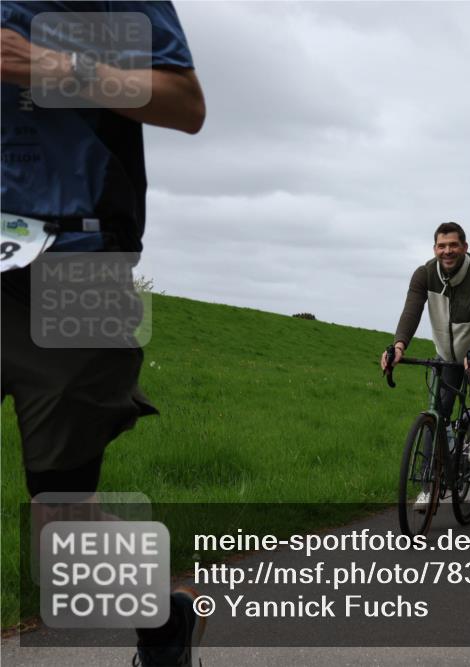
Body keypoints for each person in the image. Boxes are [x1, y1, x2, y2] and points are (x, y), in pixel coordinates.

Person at [1, 3, 206, 665]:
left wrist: (52, 67)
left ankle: (163, 618)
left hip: (79, 261)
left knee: (61, 525)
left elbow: (184, 103)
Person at [382, 222, 470, 503]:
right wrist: (399, 346)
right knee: (436, 413)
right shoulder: (424, 274)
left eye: (453, 245)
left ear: (464, 247)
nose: (447, 251)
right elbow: (411, 311)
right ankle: (428, 486)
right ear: (435, 248)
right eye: (441, 246)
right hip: (448, 354)